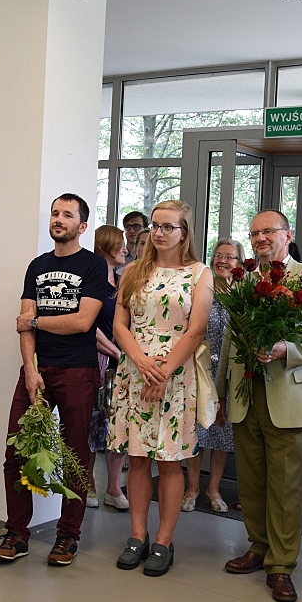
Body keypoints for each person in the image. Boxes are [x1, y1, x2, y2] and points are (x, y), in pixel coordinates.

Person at [216, 210, 302, 602]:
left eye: (268, 231)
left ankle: (282, 564)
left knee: (286, 485)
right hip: (246, 394)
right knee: (250, 482)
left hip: (289, 394)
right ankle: (258, 546)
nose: (260, 238)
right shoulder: (244, 281)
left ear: (288, 234)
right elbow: (230, 341)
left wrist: (289, 349)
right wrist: (221, 392)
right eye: (254, 233)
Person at [0, 193, 108, 566]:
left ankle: (67, 536)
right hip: (37, 369)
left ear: (82, 225)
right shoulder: (37, 266)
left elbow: (83, 322)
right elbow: (23, 325)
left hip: (78, 371)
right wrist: (30, 369)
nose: (58, 219)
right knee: (16, 452)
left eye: (67, 215)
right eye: (55, 213)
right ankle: (16, 533)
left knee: (75, 456)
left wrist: (36, 321)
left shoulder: (94, 266)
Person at [109, 201, 212, 576]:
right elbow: (120, 325)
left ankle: (164, 541)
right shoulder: (133, 271)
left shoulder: (199, 273)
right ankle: (137, 535)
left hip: (175, 376)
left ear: (184, 233)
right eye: (155, 226)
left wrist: (164, 371)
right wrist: (140, 362)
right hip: (135, 372)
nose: (160, 233)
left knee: (169, 460)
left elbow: (196, 330)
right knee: (137, 458)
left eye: (169, 226)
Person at [185, 238, 246, 513]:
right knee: (197, 430)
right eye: (218, 255)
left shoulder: (243, 295)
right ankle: (192, 488)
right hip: (199, 368)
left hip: (229, 372)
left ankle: (213, 488)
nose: (223, 260)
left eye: (229, 256)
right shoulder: (200, 288)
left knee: (222, 432)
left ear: (239, 262)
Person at [87, 224, 129, 510]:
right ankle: (88, 483)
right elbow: (89, 326)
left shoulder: (123, 281)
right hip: (98, 360)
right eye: (120, 244)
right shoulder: (92, 281)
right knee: (93, 423)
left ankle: (114, 487)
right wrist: (116, 352)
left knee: (119, 424)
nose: (125, 249)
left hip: (122, 361)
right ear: (105, 246)